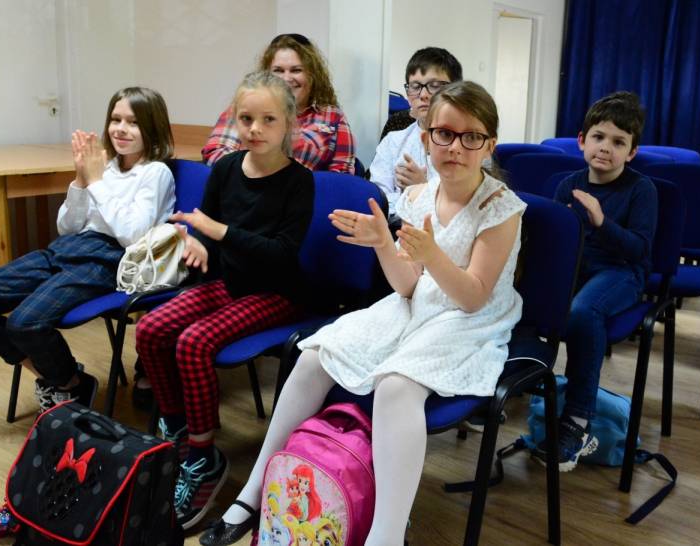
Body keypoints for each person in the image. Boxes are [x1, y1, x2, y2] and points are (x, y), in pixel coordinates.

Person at [200, 80, 526, 546]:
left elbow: (472, 297)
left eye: (471, 136)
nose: (456, 147)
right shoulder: (419, 195)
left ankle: (385, 534)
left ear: (489, 145)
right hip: (418, 303)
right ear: (427, 137)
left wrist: (431, 255)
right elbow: (408, 286)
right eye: (444, 134)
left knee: (396, 385)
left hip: (470, 319)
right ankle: (253, 491)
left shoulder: (500, 207)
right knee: (315, 354)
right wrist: (384, 246)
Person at [135, 71, 314, 531]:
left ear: (288, 122)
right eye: (246, 118)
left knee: (193, 343)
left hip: (277, 293)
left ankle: (202, 456)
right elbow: (206, 232)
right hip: (230, 282)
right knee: (151, 329)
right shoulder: (227, 168)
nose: (255, 128)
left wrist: (217, 232)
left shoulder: (299, 182)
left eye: (268, 119)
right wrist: (196, 242)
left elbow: (281, 254)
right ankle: (178, 431)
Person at [0, 87, 176, 412]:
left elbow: (132, 235)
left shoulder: (155, 172)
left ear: (152, 126)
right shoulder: (105, 167)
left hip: (108, 261)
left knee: (24, 323)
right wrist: (81, 181)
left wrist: (95, 181)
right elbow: (67, 227)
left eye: (133, 122)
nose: (121, 129)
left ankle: (64, 383)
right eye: (116, 119)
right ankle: (66, 380)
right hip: (66, 249)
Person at [535, 91, 657, 471]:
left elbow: (639, 250)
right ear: (582, 140)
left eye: (618, 142)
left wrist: (601, 222)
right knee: (519, 297)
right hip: (577, 270)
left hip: (622, 273)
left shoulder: (642, 190)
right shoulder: (567, 184)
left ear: (632, 152)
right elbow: (557, 244)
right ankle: (502, 392)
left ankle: (577, 419)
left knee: (583, 311)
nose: (606, 147)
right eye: (599, 137)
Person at [201, 33, 356, 174]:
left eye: (296, 70)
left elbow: (342, 177)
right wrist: (256, 175)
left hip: (305, 194)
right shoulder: (246, 108)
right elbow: (216, 153)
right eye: (278, 71)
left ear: (312, 75)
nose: (286, 79)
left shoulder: (332, 116)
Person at [369, 47, 462, 213]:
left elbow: (467, 206)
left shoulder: (469, 143)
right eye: (415, 86)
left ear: (456, 90)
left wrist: (423, 189)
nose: (423, 95)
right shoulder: (393, 141)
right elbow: (379, 200)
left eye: (434, 86)